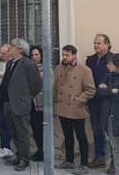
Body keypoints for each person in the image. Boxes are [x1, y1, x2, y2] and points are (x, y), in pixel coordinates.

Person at [0, 38, 42, 172]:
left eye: (12, 46)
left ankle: (25, 159)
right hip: (7, 103)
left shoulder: (28, 64)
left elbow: (36, 85)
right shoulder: (10, 63)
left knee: (23, 133)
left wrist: (26, 98)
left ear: (20, 49)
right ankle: (18, 155)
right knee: (13, 132)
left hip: (20, 104)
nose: (10, 48)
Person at [54, 45, 95, 174]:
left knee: (81, 136)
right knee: (67, 135)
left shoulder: (84, 70)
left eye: (67, 55)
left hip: (76, 108)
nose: (64, 57)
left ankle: (84, 164)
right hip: (62, 107)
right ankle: (69, 160)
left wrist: (78, 99)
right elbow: (55, 87)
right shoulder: (59, 68)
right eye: (63, 55)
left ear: (74, 55)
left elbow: (91, 90)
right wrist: (55, 100)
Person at [87, 34, 114, 169]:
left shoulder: (113, 59)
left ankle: (113, 163)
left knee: (109, 132)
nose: (96, 45)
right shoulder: (90, 60)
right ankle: (100, 157)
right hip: (93, 100)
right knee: (97, 130)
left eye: (99, 43)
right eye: (95, 43)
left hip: (107, 101)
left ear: (107, 44)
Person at [98, 54, 119, 175]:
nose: (107, 66)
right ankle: (113, 168)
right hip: (108, 116)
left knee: (116, 146)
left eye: (109, 64)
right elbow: (99, 91)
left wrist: (107, 89)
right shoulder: (107, 76)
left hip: (117, 116)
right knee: (111, 144)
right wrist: (112, 90)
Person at [29, 46, 44, 161]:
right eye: (32, 55)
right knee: (35, 129)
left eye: (36, 55)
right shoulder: (29, 68)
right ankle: (39, 150)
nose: (34, 57)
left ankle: (44, 151)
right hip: (31, 103)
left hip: (42, 104)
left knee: (42, 129)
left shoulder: (46, 69)